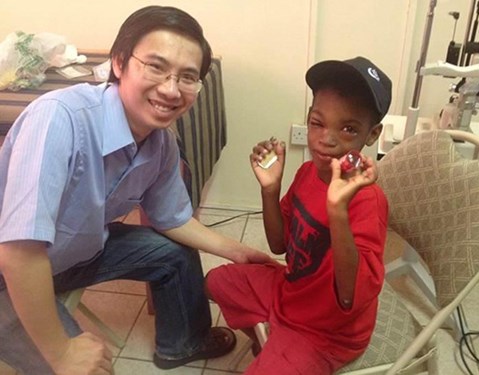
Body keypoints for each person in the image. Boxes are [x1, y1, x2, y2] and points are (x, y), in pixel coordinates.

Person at [0, 6, 272, 375]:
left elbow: (172, 218)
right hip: (9, 272)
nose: (171, 89)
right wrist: (62, 352)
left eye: (188, 77)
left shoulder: (161, 144)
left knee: (174, 251)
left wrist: (240, 252)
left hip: (75, 253)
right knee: (81, 368)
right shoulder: (59, 119)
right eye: (156, 67)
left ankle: (183, 343)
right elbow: (18, 252)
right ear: (118, 62)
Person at [206, 56, 392, 374]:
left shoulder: (367, 200)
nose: (327, 139)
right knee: (218, 281)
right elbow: (279, 246)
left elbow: (350, 299)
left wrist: (337, 211)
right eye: (317, 123)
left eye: (348, 129)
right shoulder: (307, 172)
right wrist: (269, 189)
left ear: (372, 134)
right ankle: (272, 341)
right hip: (292, 293)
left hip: (326, 333)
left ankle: (284, 350)